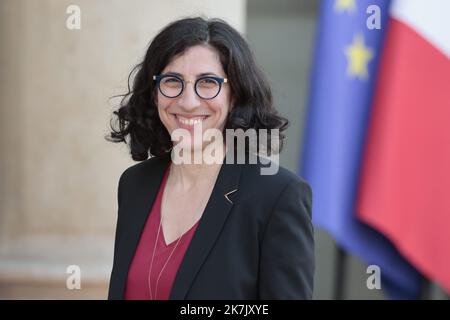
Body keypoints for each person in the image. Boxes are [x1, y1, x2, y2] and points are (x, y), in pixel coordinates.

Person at [106, 16, 314, 300]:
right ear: (155, 93)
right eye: (172, 81)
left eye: (207, 82)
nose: (188, 101)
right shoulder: (135, 185)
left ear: (235, 95)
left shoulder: (277, 196)